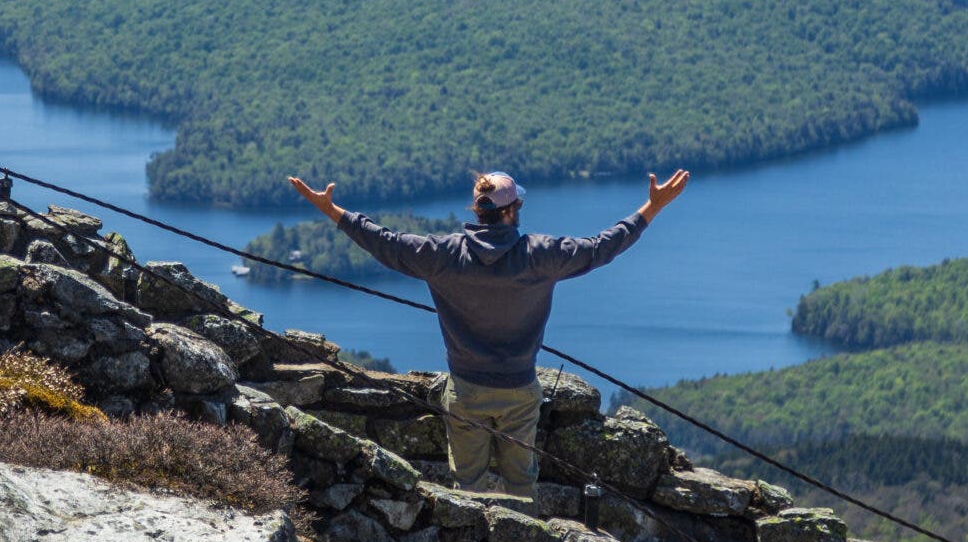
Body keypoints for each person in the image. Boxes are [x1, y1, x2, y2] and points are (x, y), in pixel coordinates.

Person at [285, 166, 688, 500]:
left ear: (477, 211)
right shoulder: (541, 254)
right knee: (520, 484)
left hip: (466, 390)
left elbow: (384, 243)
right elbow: (602, 247)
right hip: (519, 389)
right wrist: (651, 208)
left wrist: (333, 210)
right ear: (512, 210)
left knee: (468, 485)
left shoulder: (443, 254)